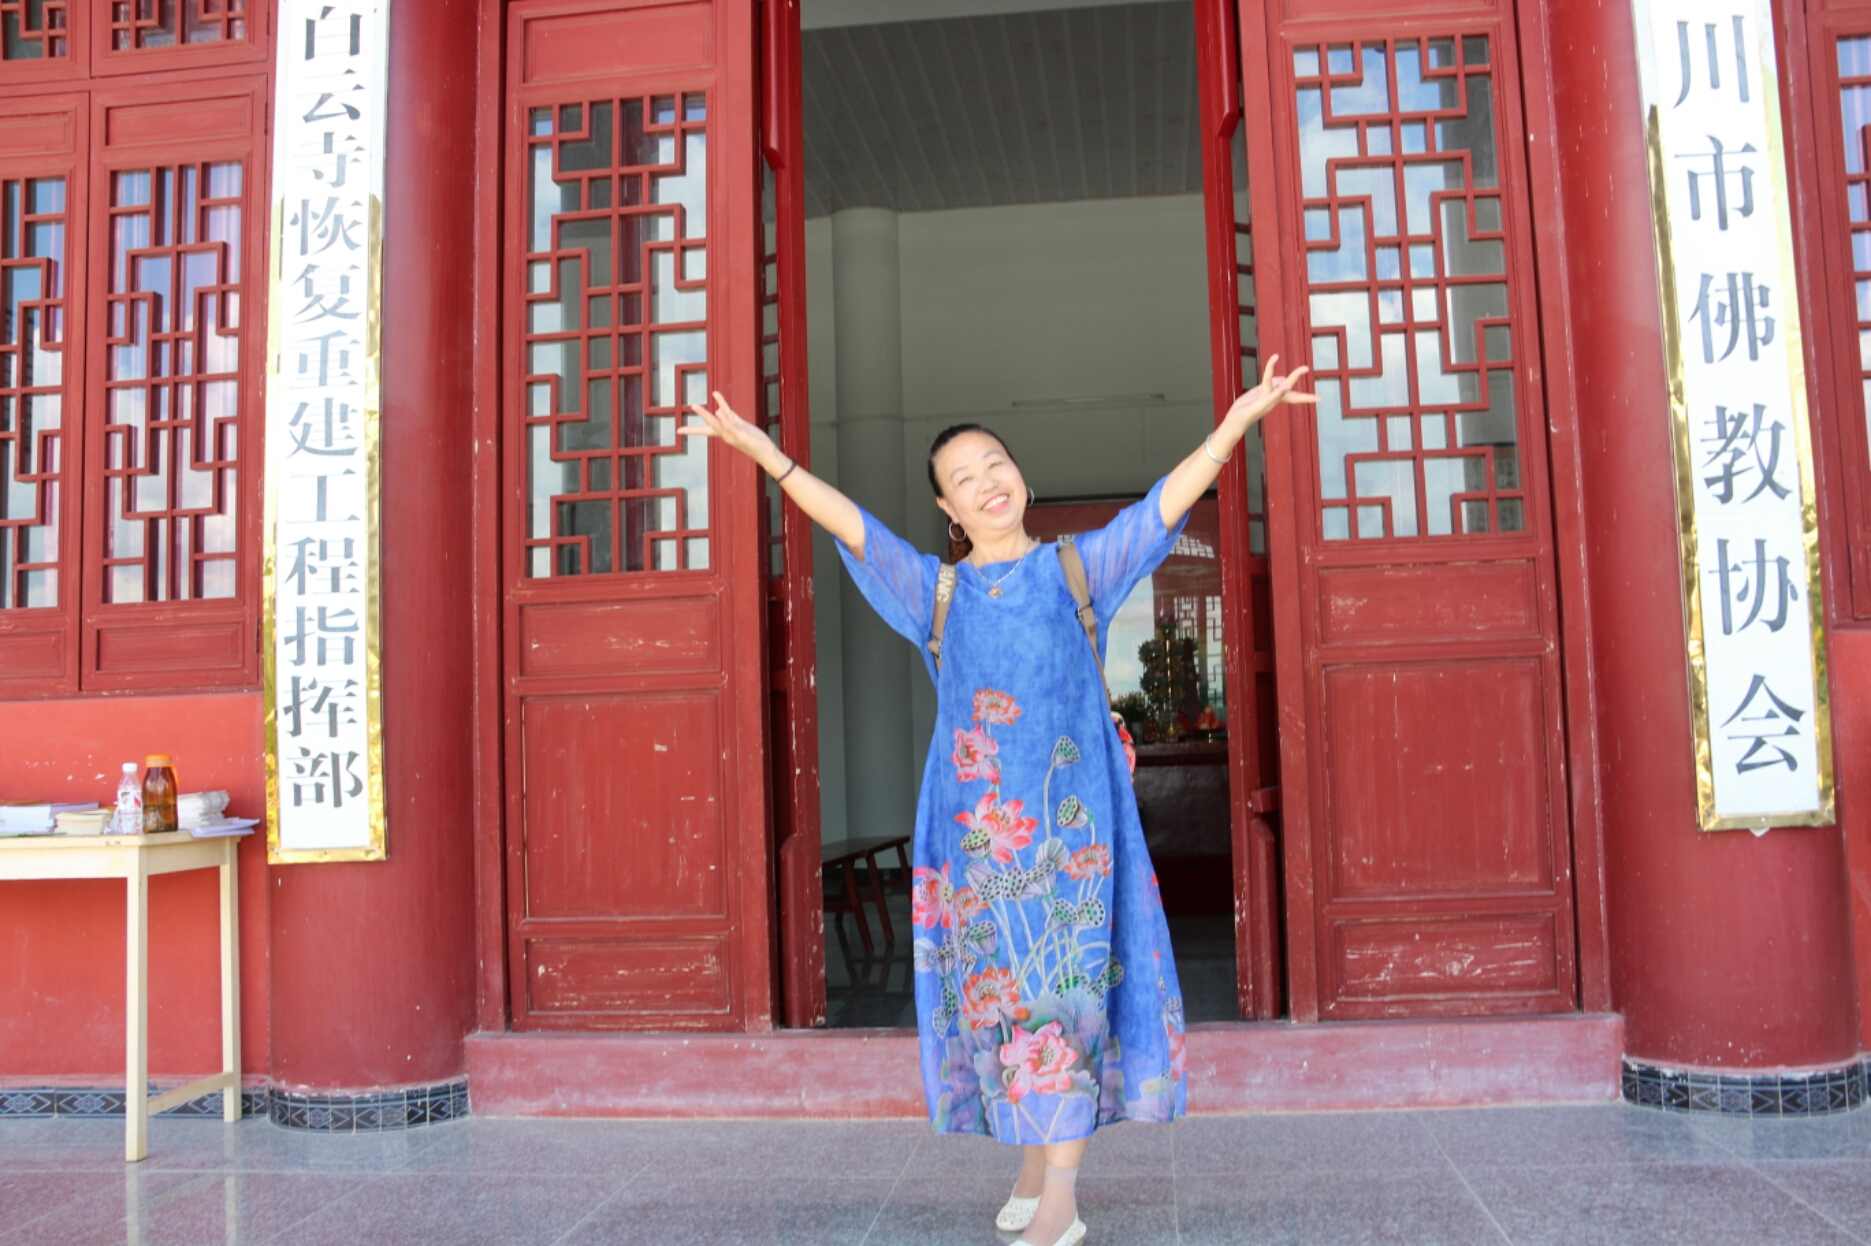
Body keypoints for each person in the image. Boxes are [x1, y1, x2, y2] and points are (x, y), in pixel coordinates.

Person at [682, 358, 1315, 1246]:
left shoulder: (1077, 570)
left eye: (995, 464)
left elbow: (1160, 510)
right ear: (946, 508)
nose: (987, 483)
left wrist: (1234, 425)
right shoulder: (935, 591)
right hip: (979, 846)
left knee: (1068, 998)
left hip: (1073, 839)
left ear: (1021, 475)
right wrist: (766, 456)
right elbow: (853, 527)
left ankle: (1061, 1198)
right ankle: (1030, 1162)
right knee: (1003, 1006)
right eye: (963, 478)